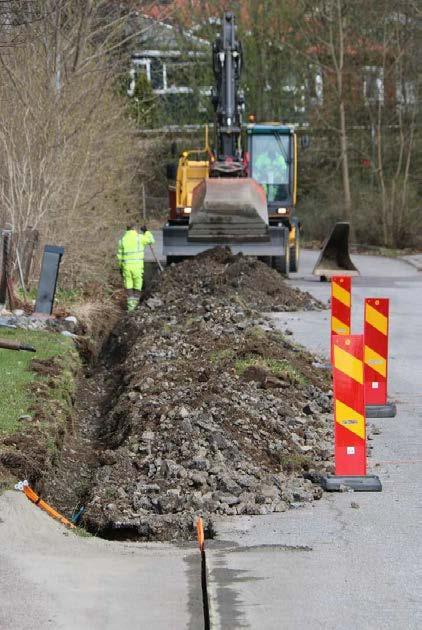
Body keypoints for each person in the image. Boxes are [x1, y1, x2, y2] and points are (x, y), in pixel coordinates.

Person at [117, 223, 155, 311]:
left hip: (126, 267)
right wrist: (146, 231)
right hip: (137, 267)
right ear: (134, 229)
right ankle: (136, 305)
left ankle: (131, 307)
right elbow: (151, 240)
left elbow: (120, 256)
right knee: (138, 284)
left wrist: (120, 267)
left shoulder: (122, 240)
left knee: (129, 284)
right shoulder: (140, 238)